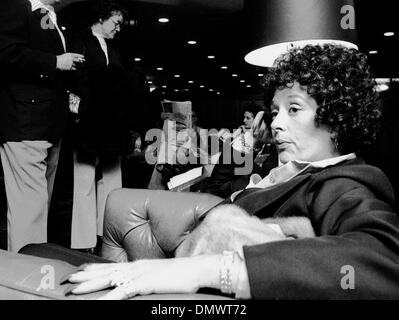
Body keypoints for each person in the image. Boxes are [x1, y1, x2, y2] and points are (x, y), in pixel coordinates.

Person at [65, 44, 399, 299]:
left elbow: (383, 262)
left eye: (293, 109)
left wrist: (213, 270)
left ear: (336, 119)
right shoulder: (290, 170)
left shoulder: (345, 184)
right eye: (275, 111)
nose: (276, 123)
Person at [0, 0, 85, 252]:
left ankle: (33, 273)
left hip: (49, 123)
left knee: (38, 205)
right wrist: (55, 62)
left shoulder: (49, 15)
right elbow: (5, 52)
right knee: (30, 206)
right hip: (25, 121)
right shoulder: (15, 6)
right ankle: (23, 281)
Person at [68, 0, 129, 250]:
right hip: (87, 121)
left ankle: (108, 237)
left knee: (113, 181)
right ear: (102, 17)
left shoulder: (115, 49)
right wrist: (78, 109)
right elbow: (73, 79)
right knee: (83, 182)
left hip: (112, 124)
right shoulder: (79, 40)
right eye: (116, 22)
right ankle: (83, 242)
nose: (118, 28)